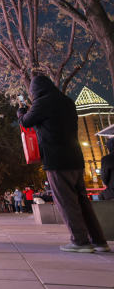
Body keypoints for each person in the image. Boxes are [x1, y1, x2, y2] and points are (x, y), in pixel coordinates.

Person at [18, 74, 109, 253]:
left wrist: (21, 111)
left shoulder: (42, 103)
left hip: (56, 160)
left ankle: (80, 241)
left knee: (66, 201)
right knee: (83, 201)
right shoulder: (67, 101)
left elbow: (26, 122)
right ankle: (99, 240)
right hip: (76, 159)